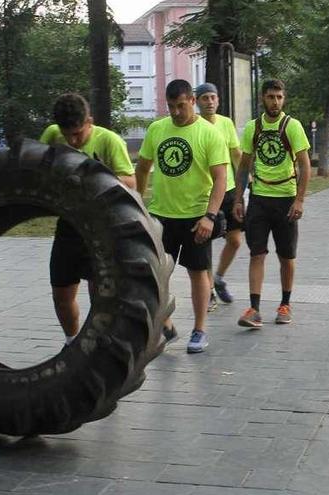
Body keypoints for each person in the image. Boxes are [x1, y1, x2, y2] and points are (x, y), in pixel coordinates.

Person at [136, 79, 228, 353]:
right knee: (152, 275)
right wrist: (139, 203)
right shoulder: (157, 129)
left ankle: (199, 330)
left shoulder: (209, 133)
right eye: (170, 106)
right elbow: (142, 168)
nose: (175, 112)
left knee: (198, 273)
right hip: (160, 217)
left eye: (180, 106)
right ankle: (166, 323)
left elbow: (220, 178)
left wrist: (209, 217)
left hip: (195, 217)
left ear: (192, 101)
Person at [39, 93, 136, 346]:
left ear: (89, 121)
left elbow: (131, 182)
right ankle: (72, 342)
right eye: (67, 134)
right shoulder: (52, 134)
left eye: (78, 134)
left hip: (101, 228)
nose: (72, 140)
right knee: (61, 293)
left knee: (100, 294)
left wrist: (95, 177)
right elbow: (38, 166)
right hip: (69, 226)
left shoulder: (109, 141)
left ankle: (98, 344)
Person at [233, 79, 311, 327]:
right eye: (270, 97)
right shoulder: (253, 127)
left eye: (278, 97)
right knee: (257, 253)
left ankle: (285, 304)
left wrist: (299, 199)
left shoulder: (292, 126)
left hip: (286, 198)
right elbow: (244, 165)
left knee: (287, 256)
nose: (275, 101)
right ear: (262, 99)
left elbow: (305, 164)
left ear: (284, 98)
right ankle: (254, 309)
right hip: (259, 199)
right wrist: (238, 199)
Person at [194, 82, 243, 309]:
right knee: (205, 246)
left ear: (218, 100)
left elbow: (236, 154)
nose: (210, 102)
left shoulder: (226, 123)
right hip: (206, 192)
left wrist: (246, 182)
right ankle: (209, 291)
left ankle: (218, 278)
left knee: (235, 240)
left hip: (229, 190)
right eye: (205, 98)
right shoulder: (194, 126)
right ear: (197, 101)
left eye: (213, 97)